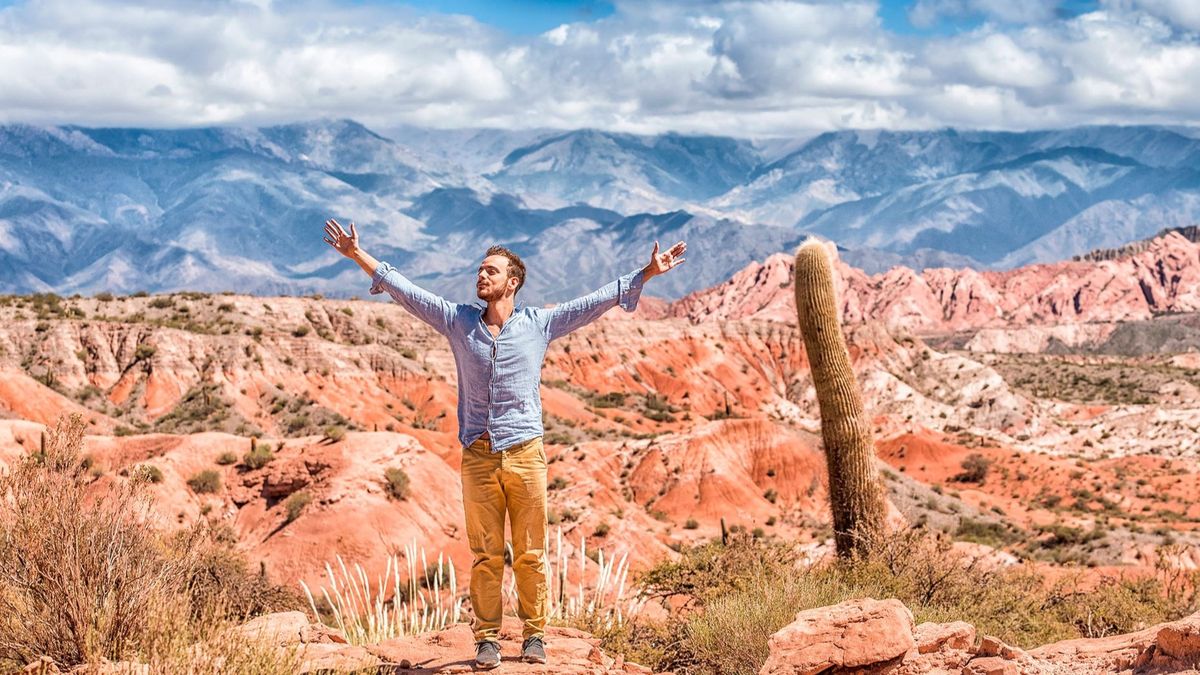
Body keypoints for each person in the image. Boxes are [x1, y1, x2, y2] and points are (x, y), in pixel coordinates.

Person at [323, 218, 686, 669]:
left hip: (526, 454)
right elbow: (407, 291)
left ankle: (535, 636)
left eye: (490, 271)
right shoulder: (458, 322)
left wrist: (647, 273)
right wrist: (358, 255)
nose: (481, 275)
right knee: (485, 555)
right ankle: (487, 640)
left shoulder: (540, 324)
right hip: (478, 456)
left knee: (531, 553)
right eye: (480, 269)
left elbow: (595, 301)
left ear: (512, 282)